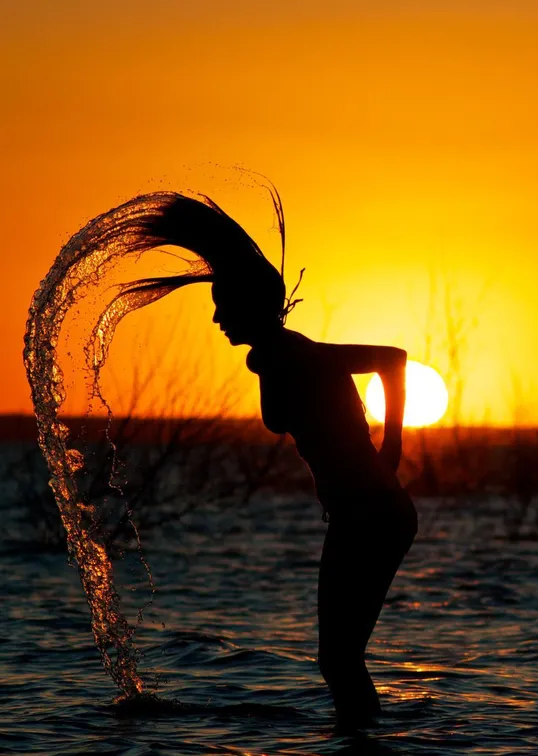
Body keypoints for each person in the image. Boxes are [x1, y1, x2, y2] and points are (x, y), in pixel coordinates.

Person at [116, 191, 418, 727]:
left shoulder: (291, 353)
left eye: (220, 304)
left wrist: (391, 450)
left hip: (374, 515)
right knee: (339, 660)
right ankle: (358, 753)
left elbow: (392, 360)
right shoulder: (273, 356)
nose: (214, 318)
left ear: (246, 306)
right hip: (359, 514)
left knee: (339, 660)